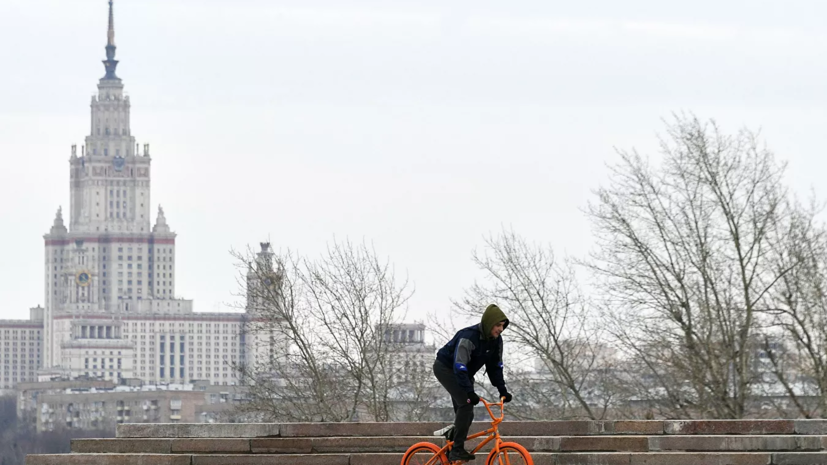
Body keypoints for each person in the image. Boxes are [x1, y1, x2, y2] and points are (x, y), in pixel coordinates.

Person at [433, 304, 513, 462]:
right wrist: (469, 392)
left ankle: (453, 439)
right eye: (498, 325)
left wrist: (502, 390)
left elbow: (495, 367)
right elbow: (459, 365)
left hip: (464, 373)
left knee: (467, 413)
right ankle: (456, 450)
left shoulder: (496, 341)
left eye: (502, 326)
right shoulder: (468, 337)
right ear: (489, 323)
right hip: (446, 368)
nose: (500, 329)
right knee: (466, 403)